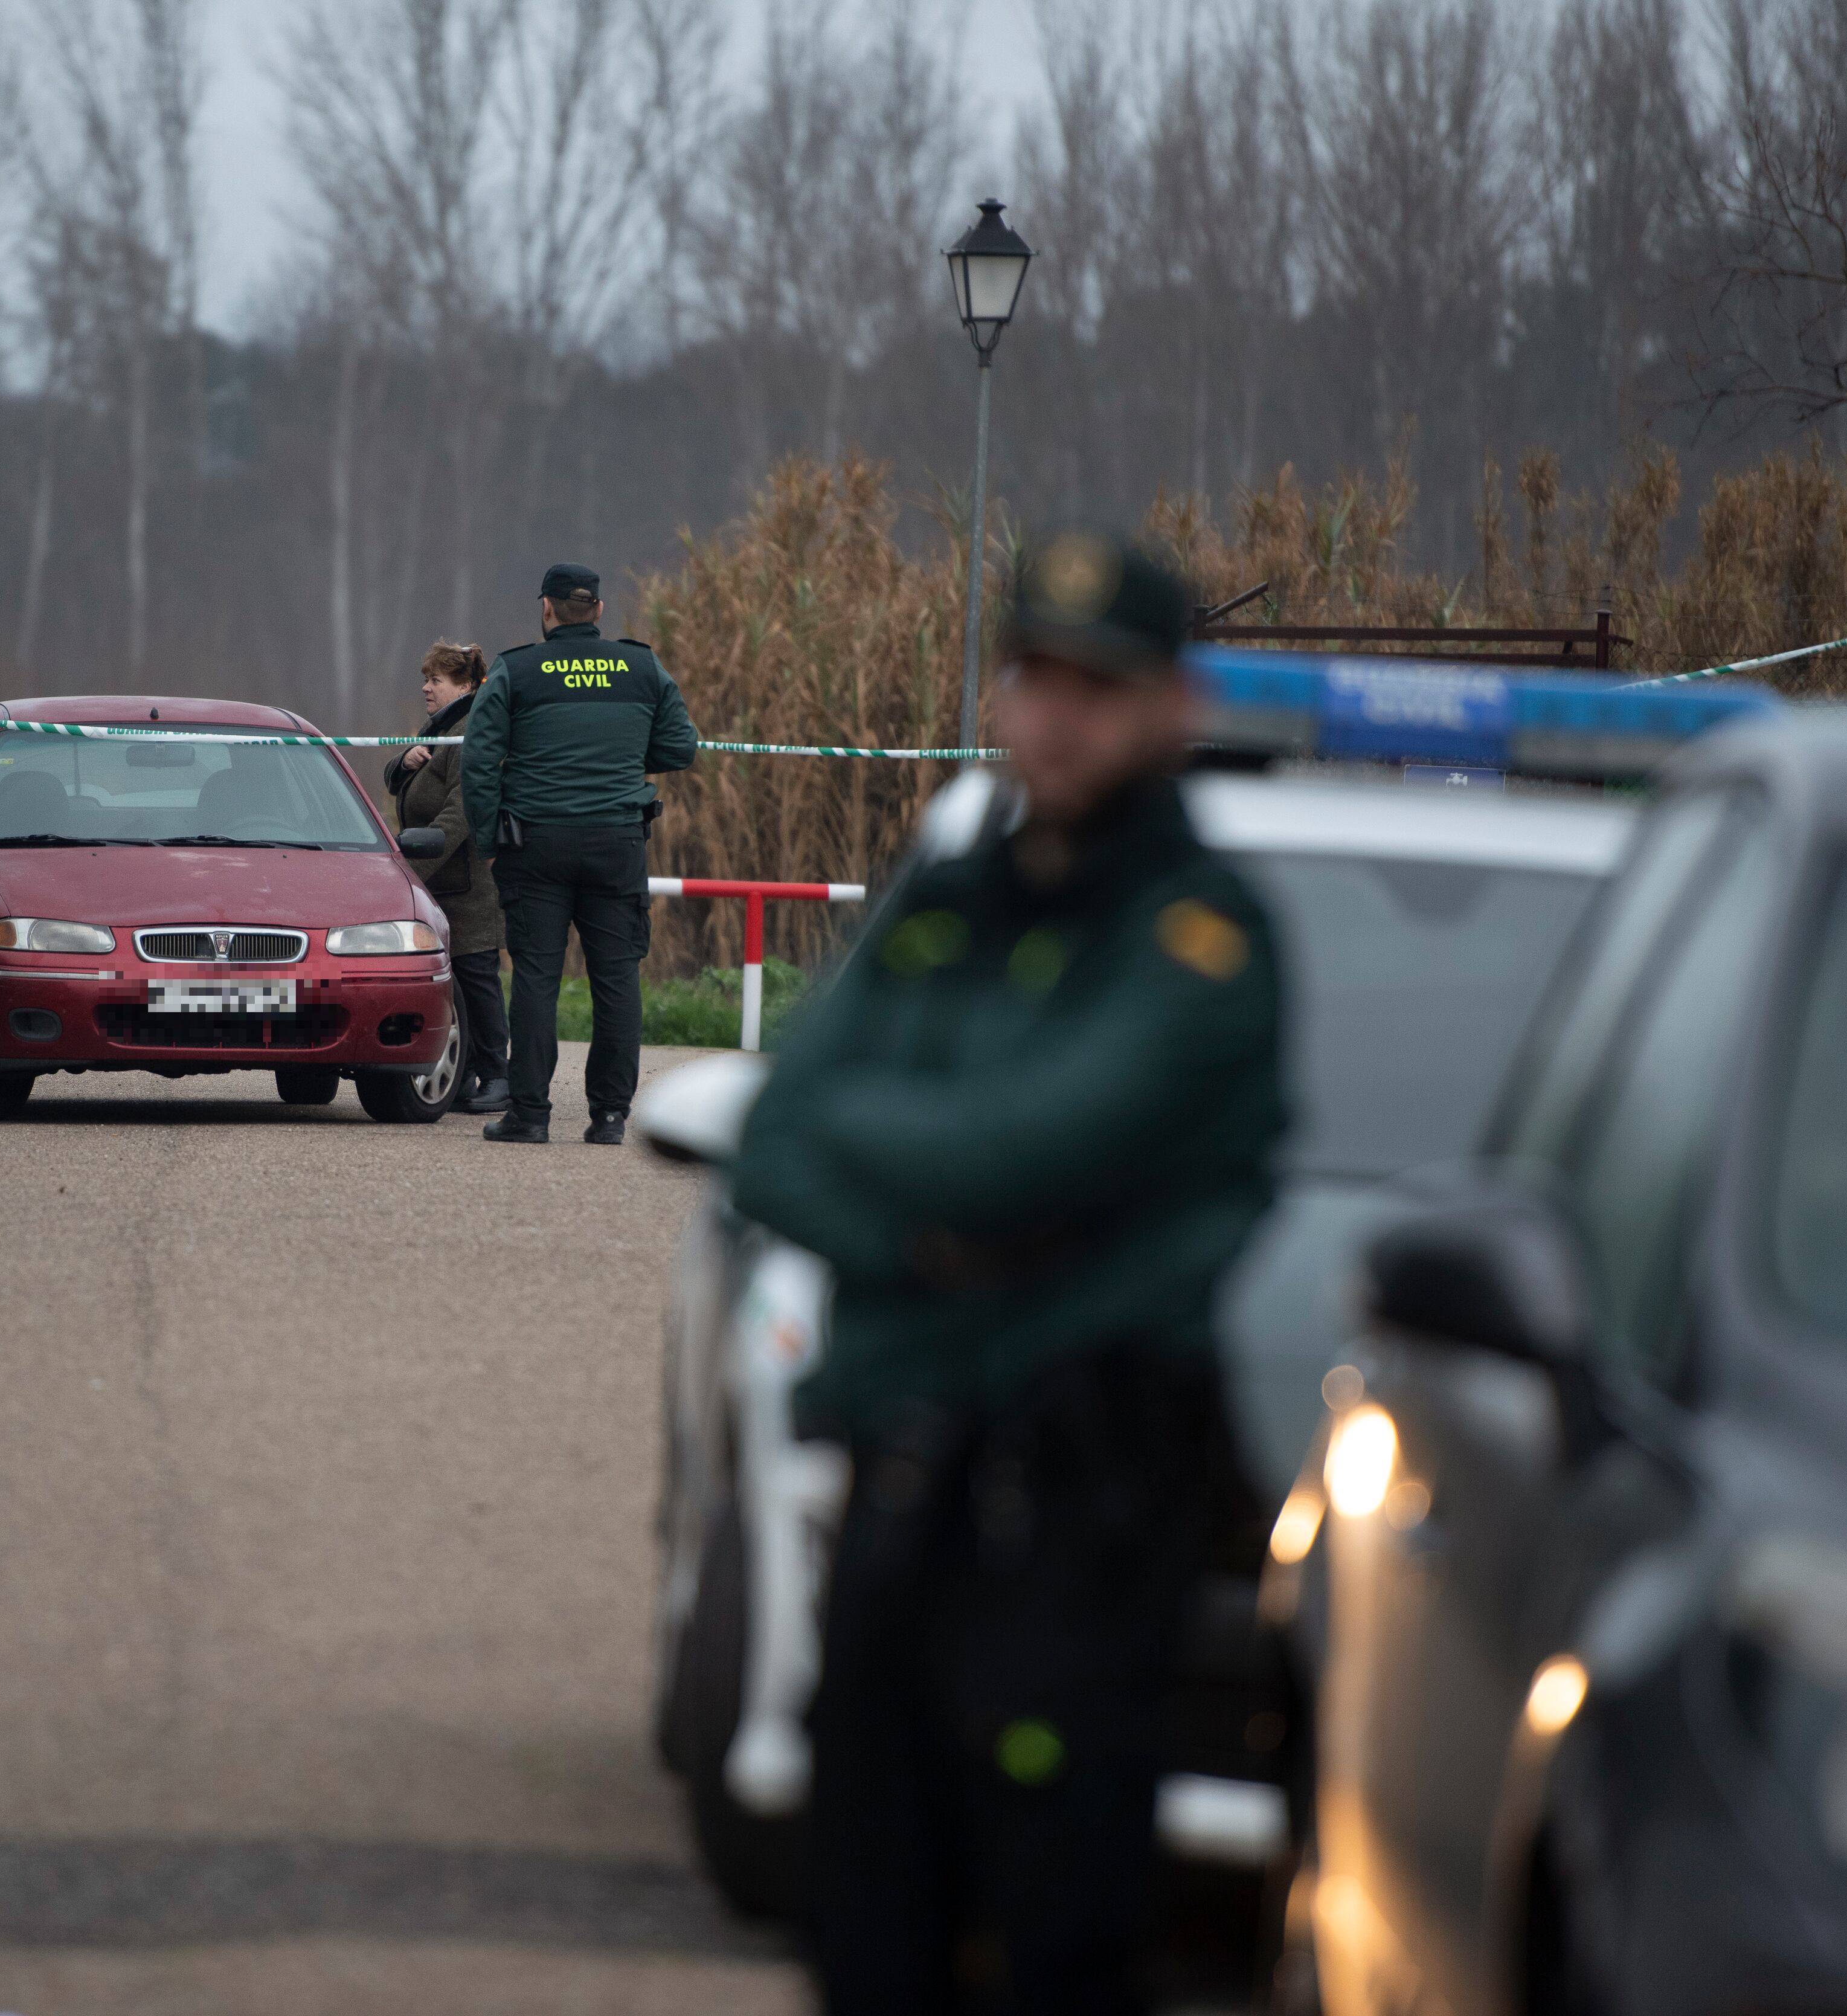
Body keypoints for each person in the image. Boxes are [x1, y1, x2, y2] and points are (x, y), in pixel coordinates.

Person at [726, 527, 1288, 2013]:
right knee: (869, 1922)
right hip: (906, 1484)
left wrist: (917, 1175)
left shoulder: (1203, 937)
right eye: (1036, 673)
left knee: (1053, 1929)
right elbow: (781, 1135)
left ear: (1172, 704)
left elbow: (1020, 1150)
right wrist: (939, 1234)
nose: (1057, 713)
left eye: (1099, 685)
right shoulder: (948, 901)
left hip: (1085, 1505)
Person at [460, 562, 697, 1145]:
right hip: (617, 841)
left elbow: (478, 762)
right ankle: (611, 1117)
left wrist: (489, 841)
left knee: (537, 978)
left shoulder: (516, 670)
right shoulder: (641, 665)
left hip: (535, 843)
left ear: (546, 609)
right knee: (617, 979)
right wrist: (619, 761)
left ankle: (530, 1115)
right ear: (596, 610)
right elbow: (681, 746)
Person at [384, 640, 511, 1115]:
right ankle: (467, 1074)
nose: (425, 687)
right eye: (426, 678)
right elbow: (397, 780)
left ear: (464, 686)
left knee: (479, 982)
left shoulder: (471, 733)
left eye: (436, 680)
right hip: (437, 885)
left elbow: (463, 812)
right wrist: (404, 762)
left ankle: (499, 1075)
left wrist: (409, 873)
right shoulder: (438, 730)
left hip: (467, 886)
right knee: (454, 985)